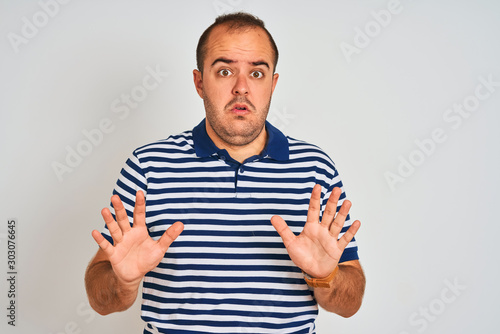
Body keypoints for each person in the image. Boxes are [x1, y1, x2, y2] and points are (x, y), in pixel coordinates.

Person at [85, 12, 366, 334]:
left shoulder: (315, 168)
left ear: (273, 84)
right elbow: (101, 302)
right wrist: (124, 280)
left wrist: (325, 276)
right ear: (200, 82)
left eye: (257, 73)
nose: (241, 88)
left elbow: (349, 305)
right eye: (225, 71)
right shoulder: (149, 165)